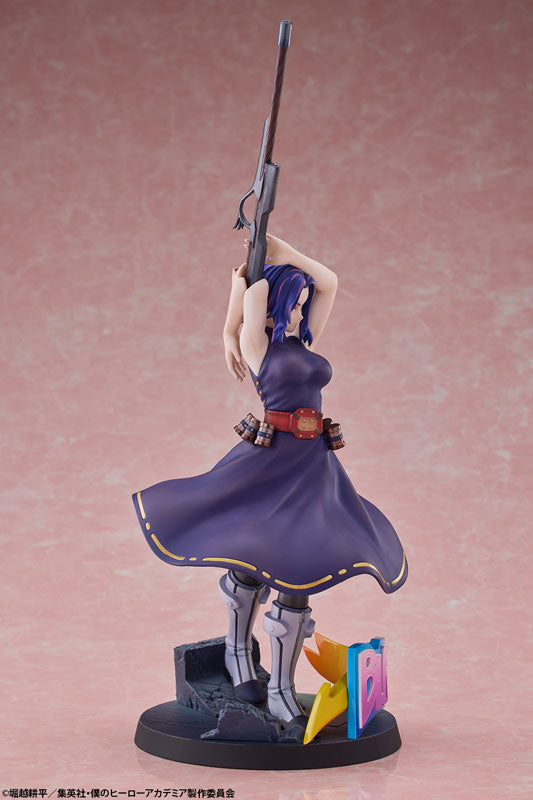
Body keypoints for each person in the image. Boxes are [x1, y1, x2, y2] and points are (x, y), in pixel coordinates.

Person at [132, 233, 407, 726]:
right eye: (294, 302)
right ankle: (239, 655)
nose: (302, 310)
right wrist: (238, 300)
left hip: (313, 467)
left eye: (302, 304)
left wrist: (284, 252)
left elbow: (330, 282)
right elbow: (255, 292)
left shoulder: (302, 340)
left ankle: (281, 687)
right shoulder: (258, 346)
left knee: (304, 563)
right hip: (272, 463)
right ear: (276, 303)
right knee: (257, 558)